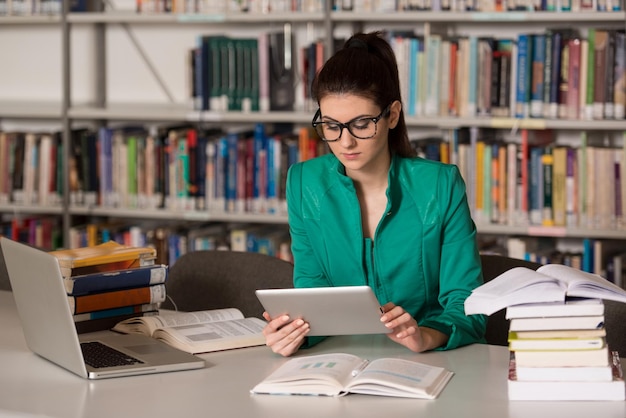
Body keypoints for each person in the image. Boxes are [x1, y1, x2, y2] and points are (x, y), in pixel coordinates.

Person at [262, 31, 487, 357]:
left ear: (392, 115)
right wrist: (293, 334)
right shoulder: (303, 183)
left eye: (362, 123)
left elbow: (468, 303)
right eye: (331, 125)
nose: (345, 142)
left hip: (427, 360)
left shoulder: (440, 185)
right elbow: (313, 292)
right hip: (341, 362)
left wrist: (425, 335)